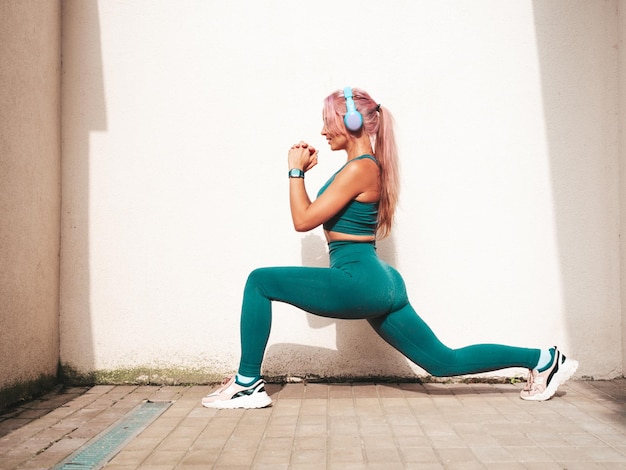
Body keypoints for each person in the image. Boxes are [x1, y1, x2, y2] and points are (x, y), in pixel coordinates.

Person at [202, 87, 578, 409]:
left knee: (259, 281)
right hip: (379, 282)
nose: (322, 130)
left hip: (360, 279)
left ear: (350, 124)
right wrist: (305, 174)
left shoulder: (360, 168)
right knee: (442, 362)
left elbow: (303, 220)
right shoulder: (362, 167)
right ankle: (543, 359)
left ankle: (247, 384)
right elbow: (312, 214)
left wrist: (294, 169)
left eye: (328, 122)